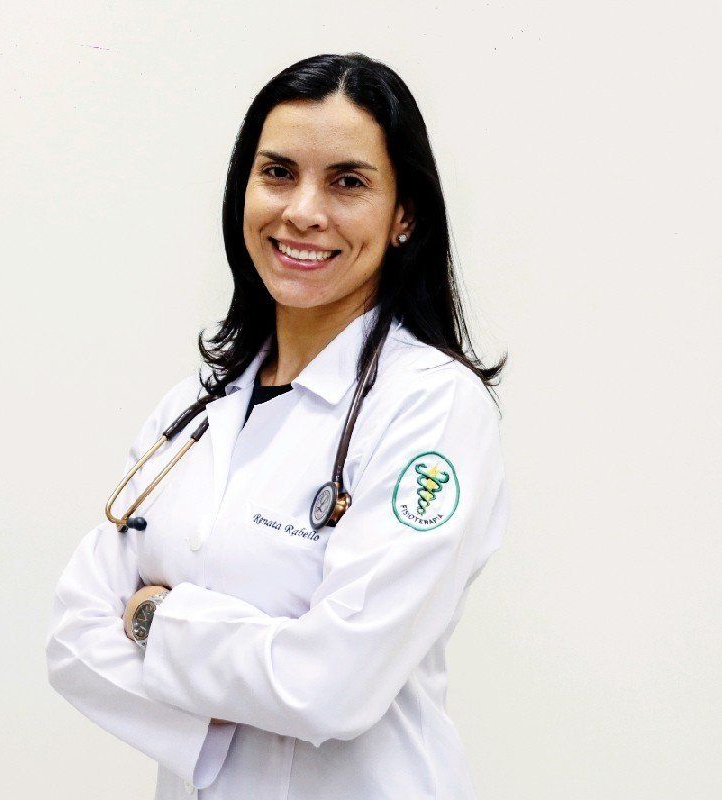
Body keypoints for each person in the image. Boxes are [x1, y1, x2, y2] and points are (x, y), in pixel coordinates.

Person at [45, 52, 510, 800]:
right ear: (244, 192)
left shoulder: (431, 408)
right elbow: (72, 636)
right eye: (279, 173)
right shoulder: (192, 413)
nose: (303, 211)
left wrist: (152, 619)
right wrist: (248, 691)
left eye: (347, 182)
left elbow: (333, 687)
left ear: (405, 216)